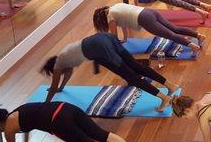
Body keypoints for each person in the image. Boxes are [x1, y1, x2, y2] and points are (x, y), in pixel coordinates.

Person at [41, 32, 177, 111]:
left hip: (100, 47)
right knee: (135, 65)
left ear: (53, 68)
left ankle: (164, 98)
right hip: (105, 37)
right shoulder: (65, 55)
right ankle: (170, 85)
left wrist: (45, 105)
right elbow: (68, 74)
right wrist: (62, 88)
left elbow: (53, 87)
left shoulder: (59, 65)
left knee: (131, 77)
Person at [93, 4, 204, 53]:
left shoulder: (110, 16)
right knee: (174, 28)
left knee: (169, 35)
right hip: (149, 12)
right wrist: (125, 39)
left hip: (144, 19)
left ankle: (192, 46)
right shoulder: (115, 7)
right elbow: (123, 24)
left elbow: (114, 37)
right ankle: (198, 36)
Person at [0, 103, 127, 142]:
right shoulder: (17, 113)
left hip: (58, 121)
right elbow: (26, 127)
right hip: (66, 107)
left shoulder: (9, 128)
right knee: (100, 134)